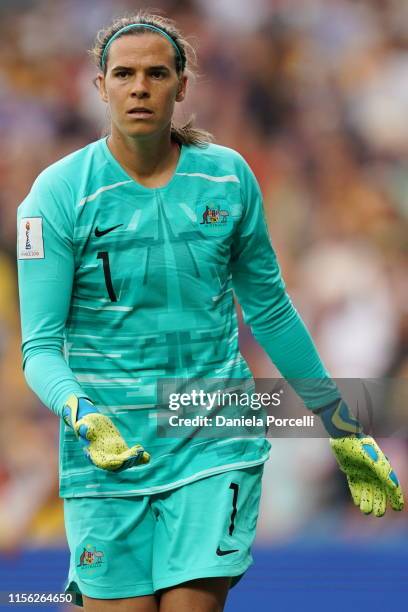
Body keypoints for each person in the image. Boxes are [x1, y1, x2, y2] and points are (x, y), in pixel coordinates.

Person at [17, 11, 404, 612]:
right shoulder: (56, 195)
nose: (139, 87)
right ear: (99, 86)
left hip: (210, 427)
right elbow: (38, 348)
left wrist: (343, 427)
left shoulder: (228, 178)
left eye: (155, 73)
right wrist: (80, 412)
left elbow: (272, 312)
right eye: (123, 74)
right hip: (107, 444)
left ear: (182, 85)